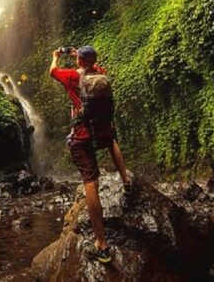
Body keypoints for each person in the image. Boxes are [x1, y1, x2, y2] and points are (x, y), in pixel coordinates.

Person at [50, 45, 131, 264]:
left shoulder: (71, 76)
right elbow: (89, 65)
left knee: (91, 182)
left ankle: (102, 244)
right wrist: (81, 55)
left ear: (79, 60)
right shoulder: (101, 73)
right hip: (103, 129)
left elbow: (52, 71)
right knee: (112, 140)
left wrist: (56, 56)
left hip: (83, 134)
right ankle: (126, 181)